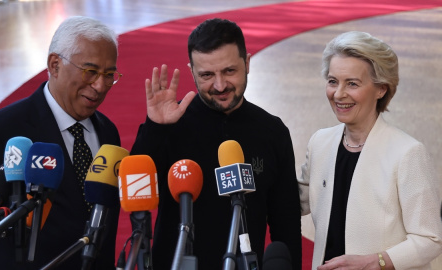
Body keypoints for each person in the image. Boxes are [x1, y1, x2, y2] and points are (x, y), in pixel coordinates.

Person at [131, 18, 302, 269]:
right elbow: (137, 192)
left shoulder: (272, 132)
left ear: (247, 63)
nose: (220, 85)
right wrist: (155, 128)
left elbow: (285, 224)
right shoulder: (169, 124)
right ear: (191, 72)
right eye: (207, 75)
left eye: (229, 71)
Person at [0, 16, 121, 269]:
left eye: (110, 75)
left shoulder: (108, 132)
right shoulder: (1, 130)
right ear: (55, 65)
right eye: (90, 71)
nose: (101, 85)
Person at [298, 31, 442, 270]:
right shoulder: (319, 143)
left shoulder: (408, 153)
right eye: (333, 81)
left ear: (381, 89)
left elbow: (430, 239)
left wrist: (377, 261)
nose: (339, 94)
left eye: (352, 83)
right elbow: (299, 199)